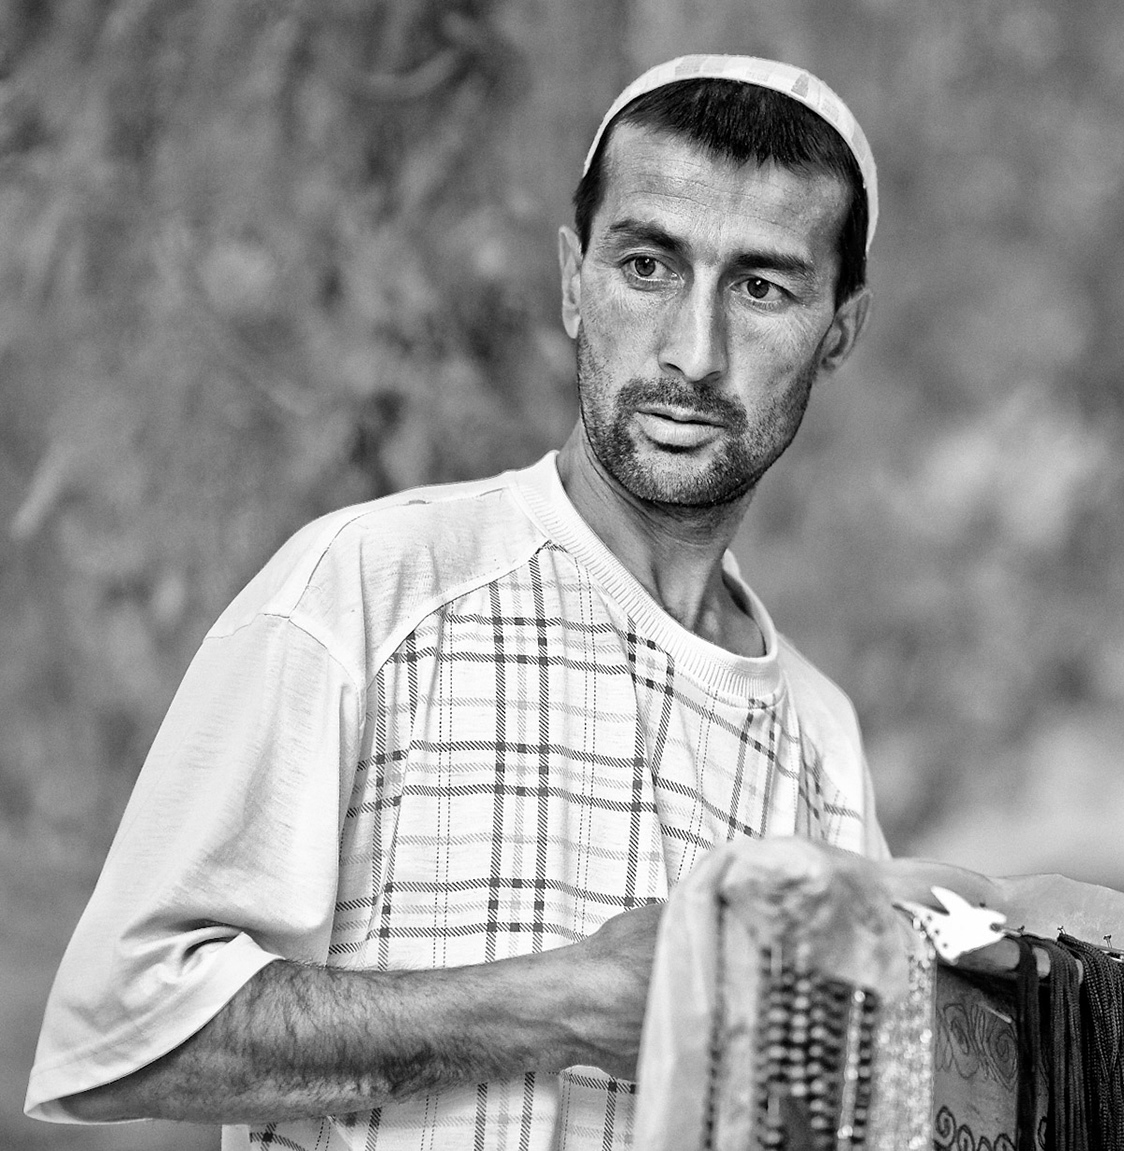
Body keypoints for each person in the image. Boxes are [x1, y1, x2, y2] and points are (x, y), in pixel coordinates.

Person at [25, 53, 934, 1151]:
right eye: (648, 265)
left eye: (761, 288)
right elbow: (121, 1028)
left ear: (840, 330)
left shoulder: (824, 747)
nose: (694, 354)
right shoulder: (368, 588)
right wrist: (562, 1002)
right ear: (573, 281)